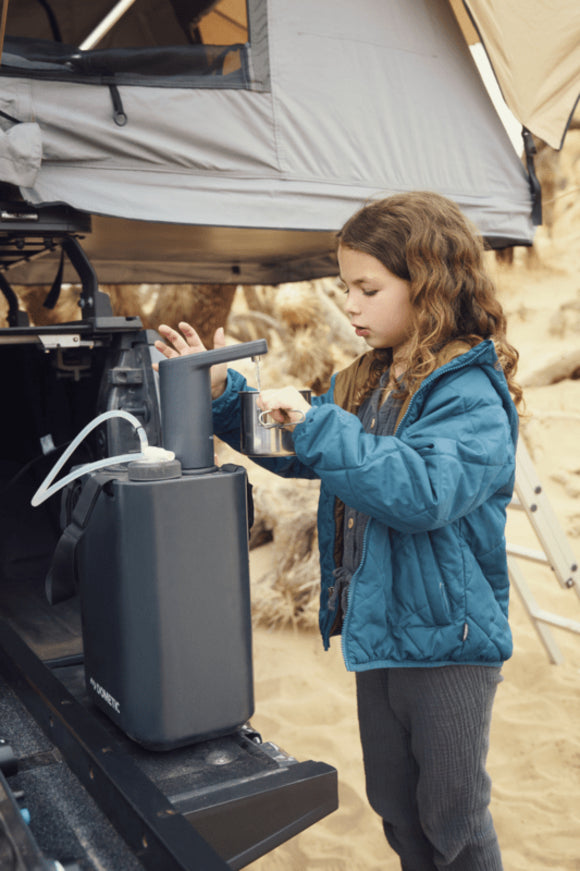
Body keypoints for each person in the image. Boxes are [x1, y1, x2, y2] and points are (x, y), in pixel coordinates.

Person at [155, 190, 521, 871]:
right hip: (378, 632)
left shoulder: (469, 391)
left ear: (430, 285)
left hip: (449, 644)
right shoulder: (368, 379)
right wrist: (227, 398)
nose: (348, 305)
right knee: (396, 806)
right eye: (343, 287)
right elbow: (306, 445)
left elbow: (423, 490)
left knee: (453, 815)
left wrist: (320, 423)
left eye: (367, 288)